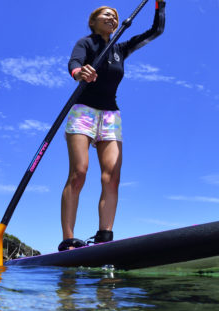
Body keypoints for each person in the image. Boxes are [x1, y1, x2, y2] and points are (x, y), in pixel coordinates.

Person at [59, 2, 167, 252]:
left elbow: (155, 31)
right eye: (107, 14)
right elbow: (74, 63)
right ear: (93, 21)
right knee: (79, 173)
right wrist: (79, 73)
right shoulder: (85, 43)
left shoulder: (121, 48)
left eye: (115, 16)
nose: (112, 17)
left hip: (110, 116)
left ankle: (104, 237)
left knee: (112, 177)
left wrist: (160, 5)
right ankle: (68, 241)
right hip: (83, 111)